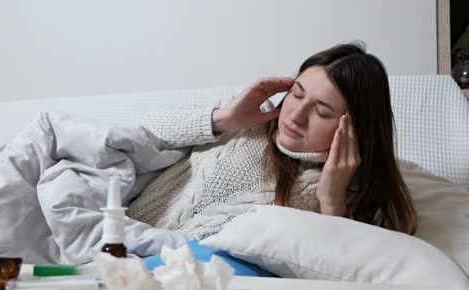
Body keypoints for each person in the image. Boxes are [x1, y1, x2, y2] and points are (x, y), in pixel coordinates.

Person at [127, 43, 417, 239]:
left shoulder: (345, 194)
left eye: (322, 111)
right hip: (116, 231)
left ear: (356, 129)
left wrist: (332, 202)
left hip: (178, 275)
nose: (296, 115)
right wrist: (224, 118)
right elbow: (144, 131)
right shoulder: (248, 122)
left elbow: (338, 271)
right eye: (298, 94)